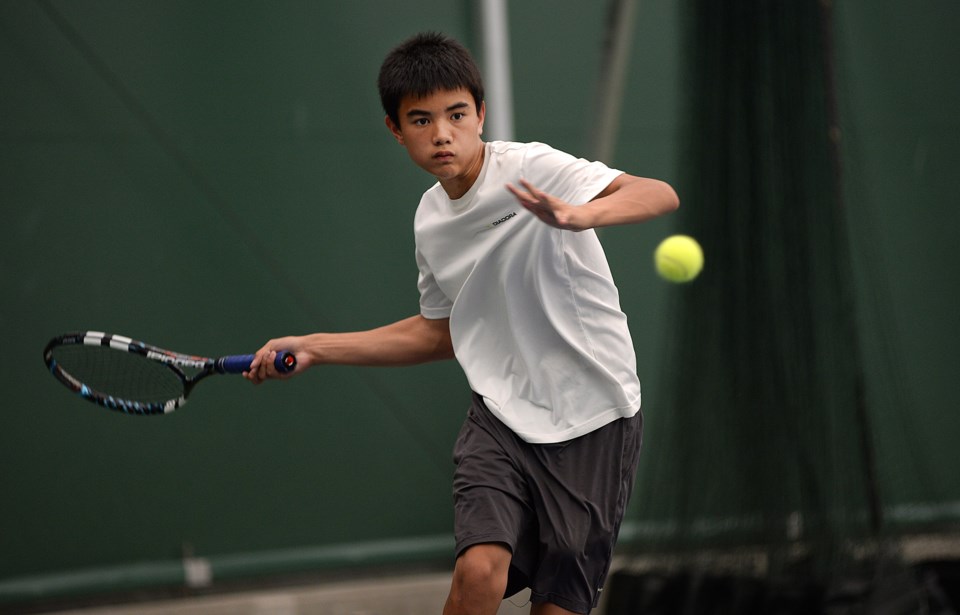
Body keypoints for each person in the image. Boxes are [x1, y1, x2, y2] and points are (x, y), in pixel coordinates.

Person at [246, 32, 679, 615]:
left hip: (594, 417)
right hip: (500, 418)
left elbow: (658, 193)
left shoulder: (530, 168)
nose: (442, 134)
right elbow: (439, 331)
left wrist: (582, 214)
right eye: (420, 120)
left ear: (481, 114)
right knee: (478, 574)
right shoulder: (430, 222)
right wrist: (317, 348)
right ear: (395, 131)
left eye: (456, 114)